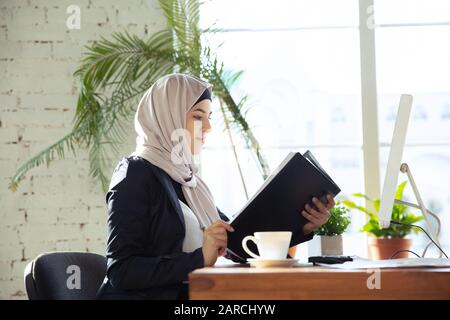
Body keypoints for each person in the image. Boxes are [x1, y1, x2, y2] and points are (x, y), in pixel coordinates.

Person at [96, 73, 335, 300]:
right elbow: (121, 270)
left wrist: (302, 225)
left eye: (209, 118)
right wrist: (200, 257)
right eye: (198, 117)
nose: (208, 128)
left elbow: (238, 242)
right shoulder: (135, 173)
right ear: (169, 116)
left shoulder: (191, 183)